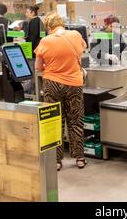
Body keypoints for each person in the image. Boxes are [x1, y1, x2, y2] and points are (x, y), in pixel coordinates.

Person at [34, 13, 87, 171]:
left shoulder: (45, 41)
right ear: (62, 24)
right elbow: (80, 53)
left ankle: (56, 160)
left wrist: (53, 66)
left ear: (49, 27)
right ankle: (79, 157)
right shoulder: (76, 35)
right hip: (74, 84)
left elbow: (38, 67)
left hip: (53, 84)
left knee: (54, 121)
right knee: (76, 121)